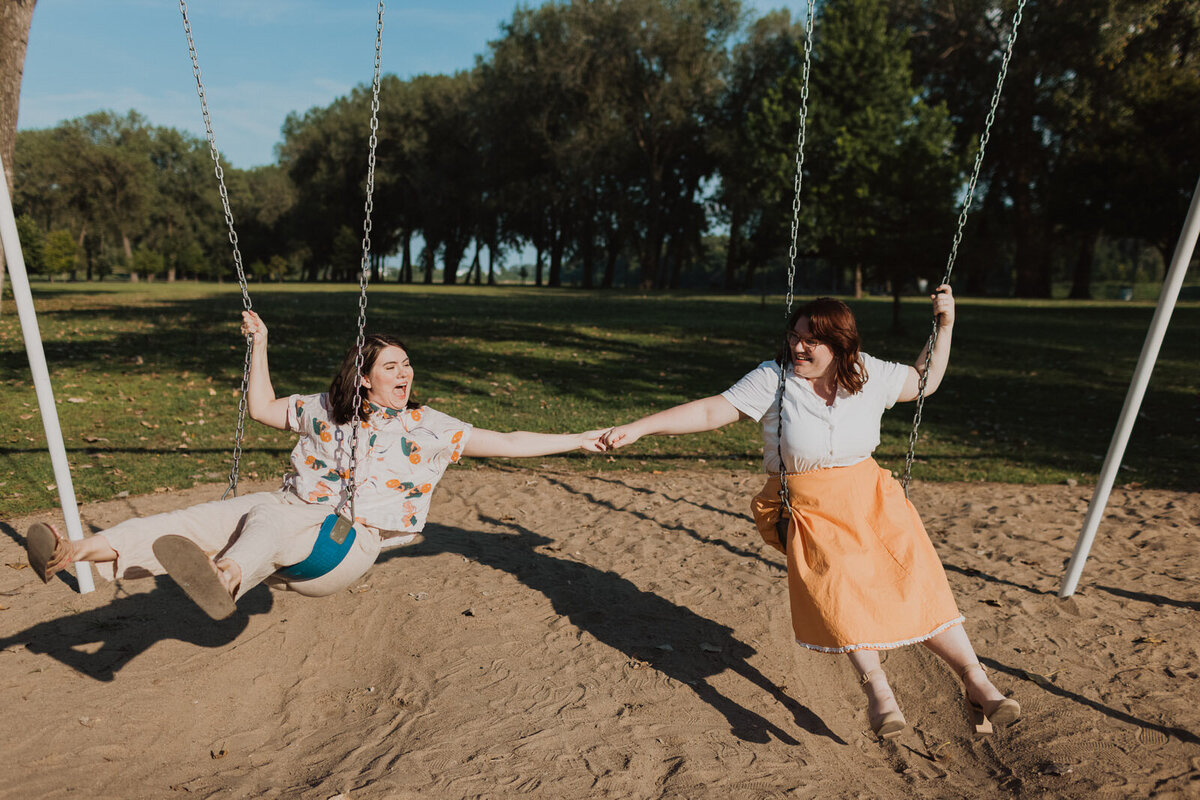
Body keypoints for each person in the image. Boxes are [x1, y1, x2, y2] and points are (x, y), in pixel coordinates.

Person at [600, 287, 1019, 738]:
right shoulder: (773, 379)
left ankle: (977, 682)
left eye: (810, 341)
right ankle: (879, 693)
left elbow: (923, 381)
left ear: (841, 347)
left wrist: (945, 324)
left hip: (871, 493)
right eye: (794, 336)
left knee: (917, 581)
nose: (797, 346)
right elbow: (710, 411)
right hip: (808, 504)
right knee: (842, 585)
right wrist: (639, 428)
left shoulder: (867, 373)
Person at [26, 310, 607, 619]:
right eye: (392, 367)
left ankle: (225, 579)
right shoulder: (323, 408)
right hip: (287, 508)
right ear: (364, 375)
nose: (404, 375)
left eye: (408, 366)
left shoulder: (427, 427)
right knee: (193, 521)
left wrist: (578, 438)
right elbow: (259, 408)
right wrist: (260, 345)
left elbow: (506, 441)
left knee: (270, 523)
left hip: (344, 544)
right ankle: (69, 553)